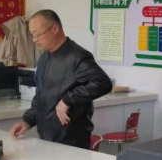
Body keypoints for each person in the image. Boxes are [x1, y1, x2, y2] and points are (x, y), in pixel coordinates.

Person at [9, 10, 112, 149]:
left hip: (72, 141)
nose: (34, 40)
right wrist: (28, 121)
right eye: (31, 35)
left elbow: (102, 83)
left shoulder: (77, 56)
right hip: (46, 139)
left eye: (37, 34)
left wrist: (67, 100)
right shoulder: (44, 59)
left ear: (54, 29)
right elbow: (41, 96)